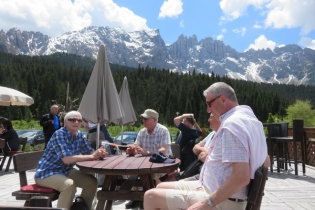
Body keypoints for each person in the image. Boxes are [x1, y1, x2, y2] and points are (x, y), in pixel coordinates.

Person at [143, 82, 268, 210]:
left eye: (209, 104)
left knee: (150, 196)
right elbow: (266, 161)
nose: (208, 110)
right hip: (212, 188)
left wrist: (205, 204)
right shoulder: (250, 119)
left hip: (224, 200)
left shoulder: (232, 125)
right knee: (159, 187)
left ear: (223, 99)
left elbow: (241, 177)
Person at [34, 111, 107, 210]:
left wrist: (99, 154)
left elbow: (89, 152)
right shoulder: (59, 134)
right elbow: (67, 160)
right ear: (65, 122)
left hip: (65, 171)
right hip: (47, 173)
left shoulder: (79, 135)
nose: (76, 122)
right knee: (69, 185)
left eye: (79, 120)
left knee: (92, 182)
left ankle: (82, 208)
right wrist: (93, 156)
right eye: (72, 119)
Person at [125, 109, 172, 209]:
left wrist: (146, 152)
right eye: (143, 119)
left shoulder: (163, 130)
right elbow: (136, 146)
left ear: (154, 120)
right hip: (144, 163)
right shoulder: (142, 132)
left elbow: (163, 150)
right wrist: (132, 150)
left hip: (161, 162)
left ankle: (154, 200)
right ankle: (136, 198)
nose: (143, 121)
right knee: (129, 172)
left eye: (146, 119)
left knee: (152, 174)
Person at [166, 113, 220, 181]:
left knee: (172, 178)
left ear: (187, 122)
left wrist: (184, 115)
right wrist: (194, 121)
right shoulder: (194, 132)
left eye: (183, 121)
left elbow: (175, 120)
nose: (182, 122)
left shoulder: (186, 130)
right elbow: (200, 132)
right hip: (189, 160)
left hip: (180, 157)